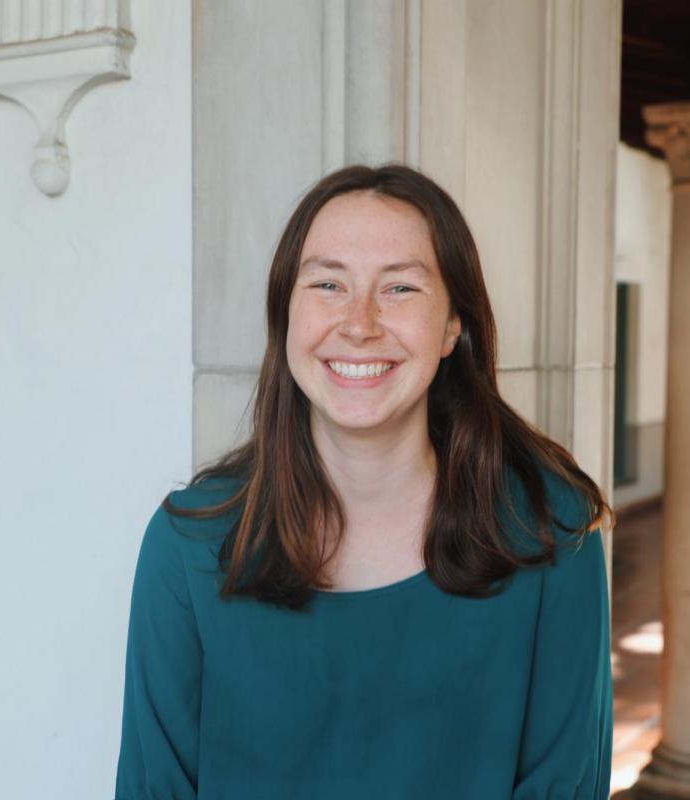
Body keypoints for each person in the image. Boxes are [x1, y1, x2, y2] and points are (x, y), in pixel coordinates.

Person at [114, 164, 615, 799]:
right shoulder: (188, 546)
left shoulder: (551, 536)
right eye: (328, 283)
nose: (359, 323)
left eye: (400, 289)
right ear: (285, 317)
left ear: (452, 326)